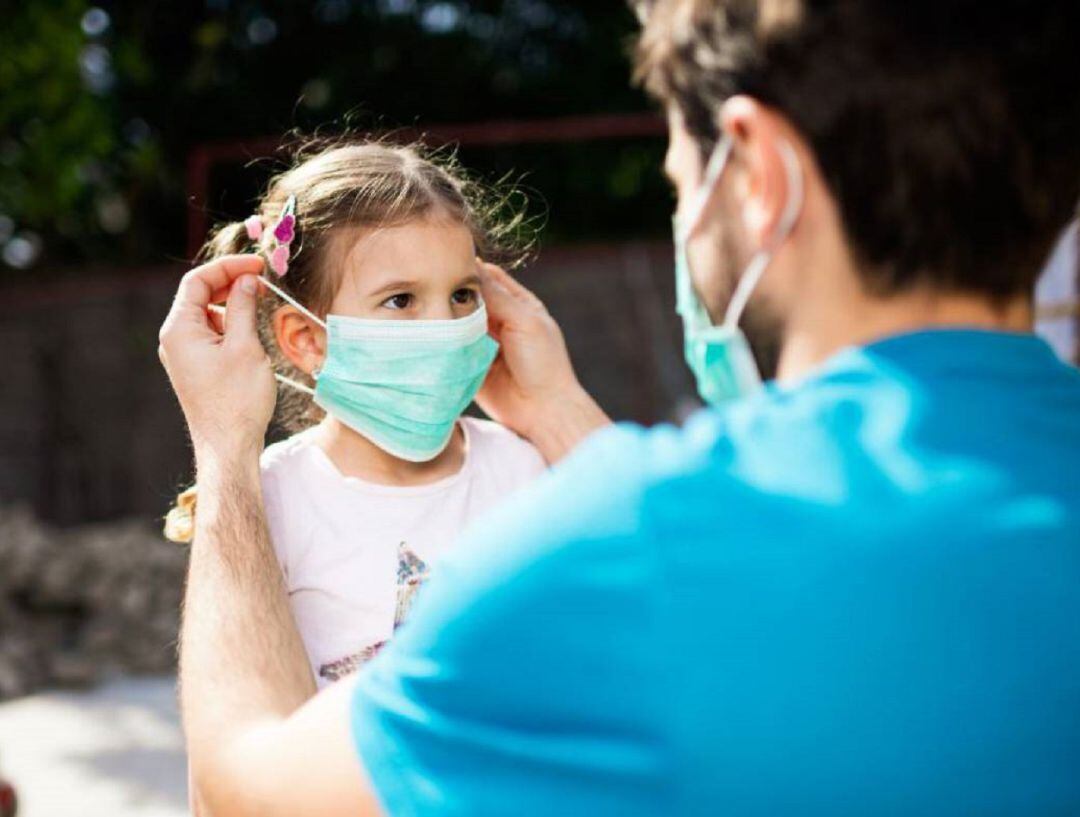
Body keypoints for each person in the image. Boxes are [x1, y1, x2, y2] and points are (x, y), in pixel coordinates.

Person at [157, 1, 1080, 815]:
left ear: (758, 174)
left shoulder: (635, 544)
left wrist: (223, 450)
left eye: (680, 178)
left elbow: (249, 795)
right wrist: (558, 411)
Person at [164, 142, 545, 688]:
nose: (444, 324)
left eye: (462, 294)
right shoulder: (265, 502)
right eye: (401, 300)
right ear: (307, 341)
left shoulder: (522, 468)